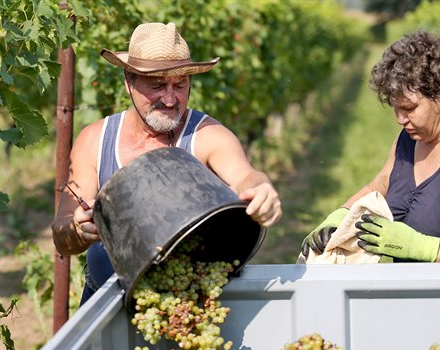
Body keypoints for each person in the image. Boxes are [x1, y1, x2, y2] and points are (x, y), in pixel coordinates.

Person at [52, 22, 282, 305]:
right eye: (157, 85)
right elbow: (61, 232)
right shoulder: (95, 140)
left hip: (188, 307)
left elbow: (245, 176)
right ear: (129, 82)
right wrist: (77, 232)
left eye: (180, 85)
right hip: (105, 306)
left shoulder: (206, 135)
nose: (171, 98)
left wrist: (261, 189)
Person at [301, 30, 440, 263]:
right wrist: (339, 218)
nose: (400, 119)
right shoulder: (407, 142)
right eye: (395, 108)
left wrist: (424, 247)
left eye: (409, 108)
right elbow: (379, 185)